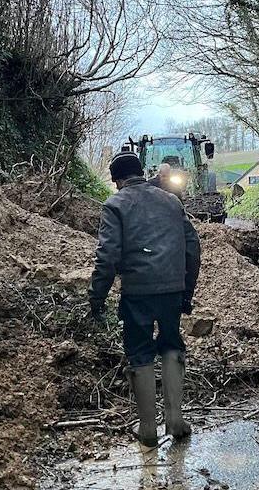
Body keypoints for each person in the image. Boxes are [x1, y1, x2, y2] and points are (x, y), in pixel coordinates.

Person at [88, 151, 202, 447]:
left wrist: (96, 298)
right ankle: (176, 420)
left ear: (117, 180)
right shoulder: (171, 201)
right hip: (171, 290)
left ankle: (148, 428)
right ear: (141, 172)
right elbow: (193, 248)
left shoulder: (115, 205)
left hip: (137, 293)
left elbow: (107, 257)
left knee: (139, 352)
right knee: (171, 344)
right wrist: (186, 292)